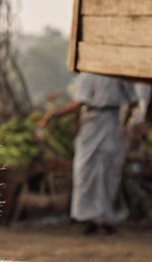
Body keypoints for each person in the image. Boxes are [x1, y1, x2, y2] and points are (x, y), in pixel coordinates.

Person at [41, 72, 138, 234]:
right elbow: (132, 102)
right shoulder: (93, 75)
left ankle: (103, 217)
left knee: (106, 171)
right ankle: (90, 217)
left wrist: (55, 114)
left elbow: (80, 103)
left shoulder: (114, 75)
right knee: (88, 171)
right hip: (96, 124)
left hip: (107, 123)